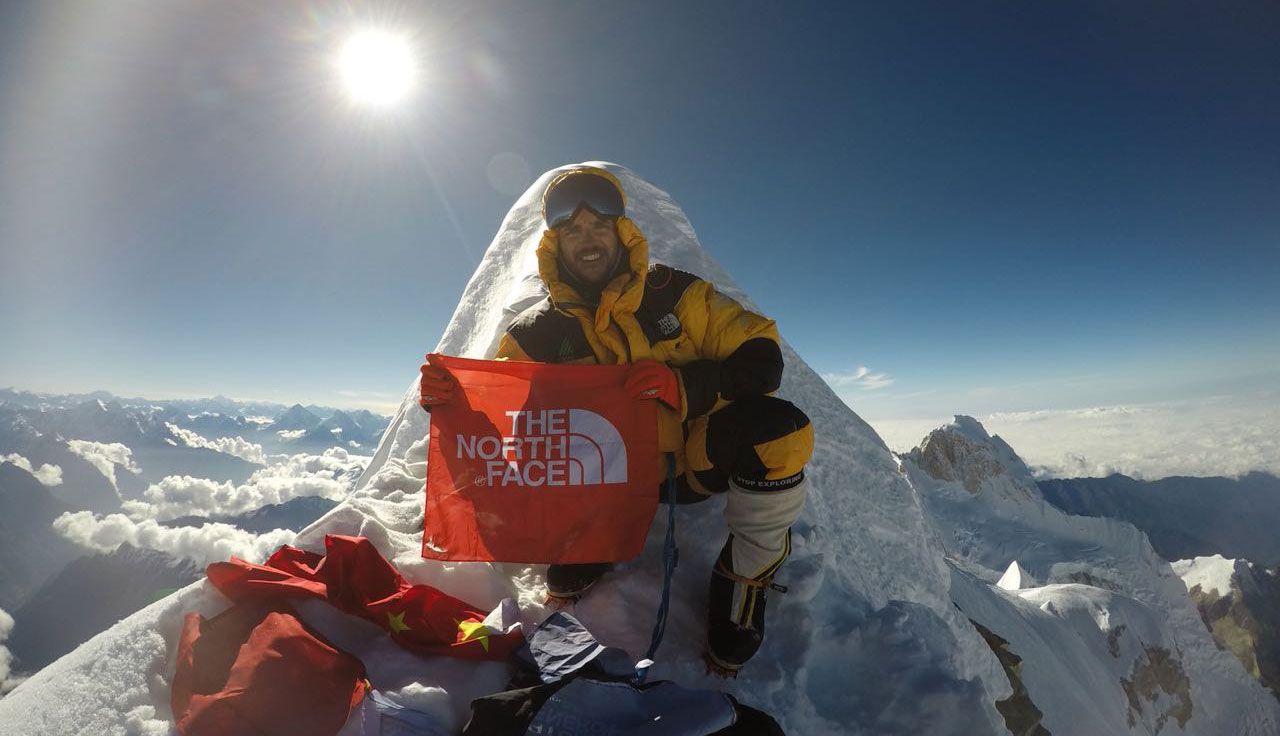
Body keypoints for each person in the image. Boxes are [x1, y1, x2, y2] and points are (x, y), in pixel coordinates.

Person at [420, 166, 813, 676]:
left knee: (780, 432)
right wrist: (451, 405)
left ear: (620, 231)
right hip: (597, 483)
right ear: (555, 245)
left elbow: (761, 356)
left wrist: (684, 387)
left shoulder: (677, 297)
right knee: (564, 538)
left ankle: (744, 581)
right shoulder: (533, 336)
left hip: (690, 462)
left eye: (598, 226)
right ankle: (593, 540)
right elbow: (499, 426)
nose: (588, 240)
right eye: (573, 231)